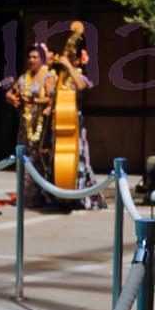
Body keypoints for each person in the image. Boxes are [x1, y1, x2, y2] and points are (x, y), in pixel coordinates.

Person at [51, 37, 106, 210]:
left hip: (74, 123)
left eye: (73, 56)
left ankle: (80, 195)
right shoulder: (59, 77)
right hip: (59, 123)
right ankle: (61, 195)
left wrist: (68, 66)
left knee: (80, 161)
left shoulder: (79, 74)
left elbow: (82, 87)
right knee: (58, 161)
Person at [5, 44, 56, 208]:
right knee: (24, 158)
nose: (32, 60)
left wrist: (34, 101)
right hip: (25, 123)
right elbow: (9, 93)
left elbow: (51, 99)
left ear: (42, 59)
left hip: (41, 123)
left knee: (40, 160)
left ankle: (42, 195)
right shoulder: (23, 77)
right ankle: (26, 195)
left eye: (35, 57)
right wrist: (11, 98)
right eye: (30, 57)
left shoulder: (48, 76)